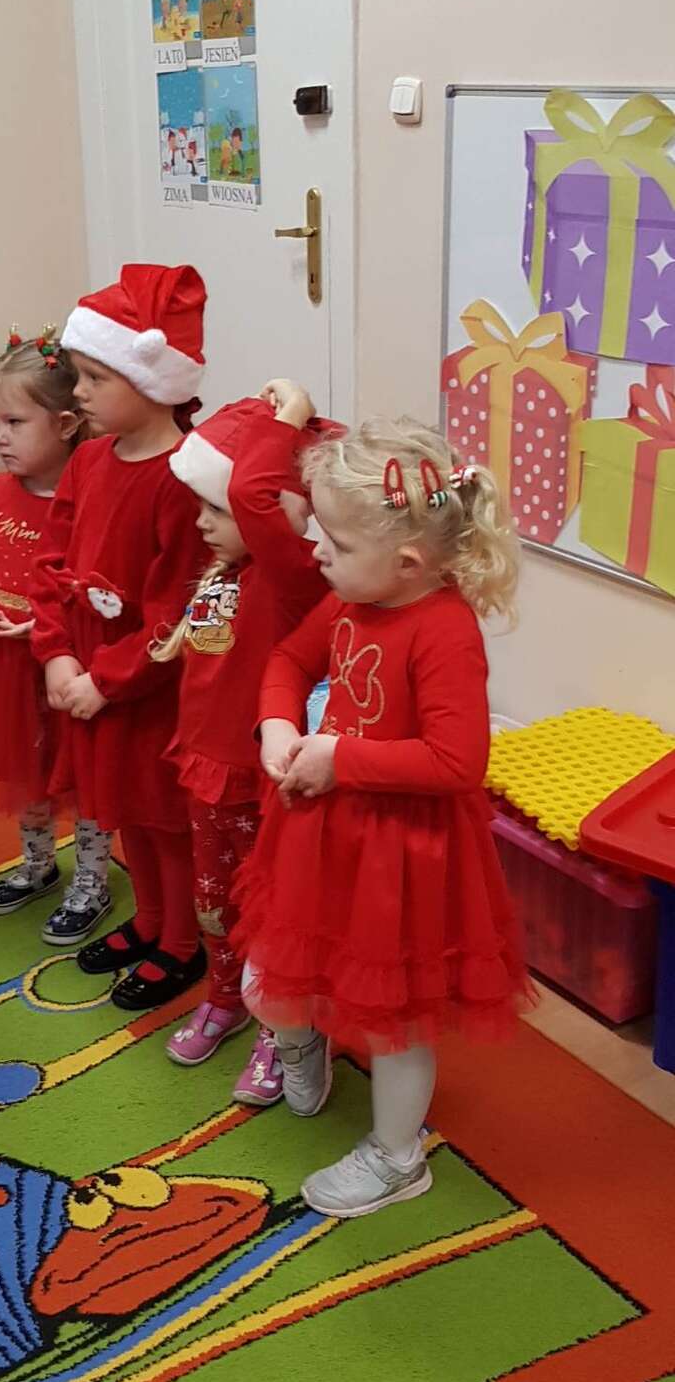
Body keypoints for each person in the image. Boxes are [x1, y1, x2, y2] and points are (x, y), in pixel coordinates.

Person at [234, 419, 528, 1217]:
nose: (315, 550)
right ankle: (301, 1040)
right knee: (269, 978)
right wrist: (278, 725)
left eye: (335, 540)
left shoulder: (444, 629)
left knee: (397, 1020)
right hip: (320, 834)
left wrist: (341, 757)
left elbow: (458, 762)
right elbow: (288, 661)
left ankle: (399, 1158)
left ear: (407, 563)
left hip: (401, 856)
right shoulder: (349, 599)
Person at [156, 381, 342, 1102]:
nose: (202, 521)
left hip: (264, 781)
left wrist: (285, 418)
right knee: (215, 904)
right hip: (207, 770)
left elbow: (257, 495)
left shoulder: (292, 576)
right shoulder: (223, 573)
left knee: (272, 913)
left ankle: (281, 1024)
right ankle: (226, 997)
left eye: (216, 507)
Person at [32, 263, 208, 1011]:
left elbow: (180, 611)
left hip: (149, 692)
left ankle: (183, 943)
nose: (77, 392)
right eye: (79, 374)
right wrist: (56, 653)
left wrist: (106, 680)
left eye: (95, 378)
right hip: (90, 679)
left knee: (166, 818)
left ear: (153, 381)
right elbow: (52, 563)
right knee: (125, 810)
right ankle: (151, 920)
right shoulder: (89, 461)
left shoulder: (183, 477)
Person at [0, 328, 113, 944]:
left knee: (83, 769)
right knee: (23, 768)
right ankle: (38, 863)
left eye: (15, 422)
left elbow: (101, 585)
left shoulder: (94, 496)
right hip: (3, 666)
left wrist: (53, 628)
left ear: (67, 424)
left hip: (69, 662)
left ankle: (92, 879)